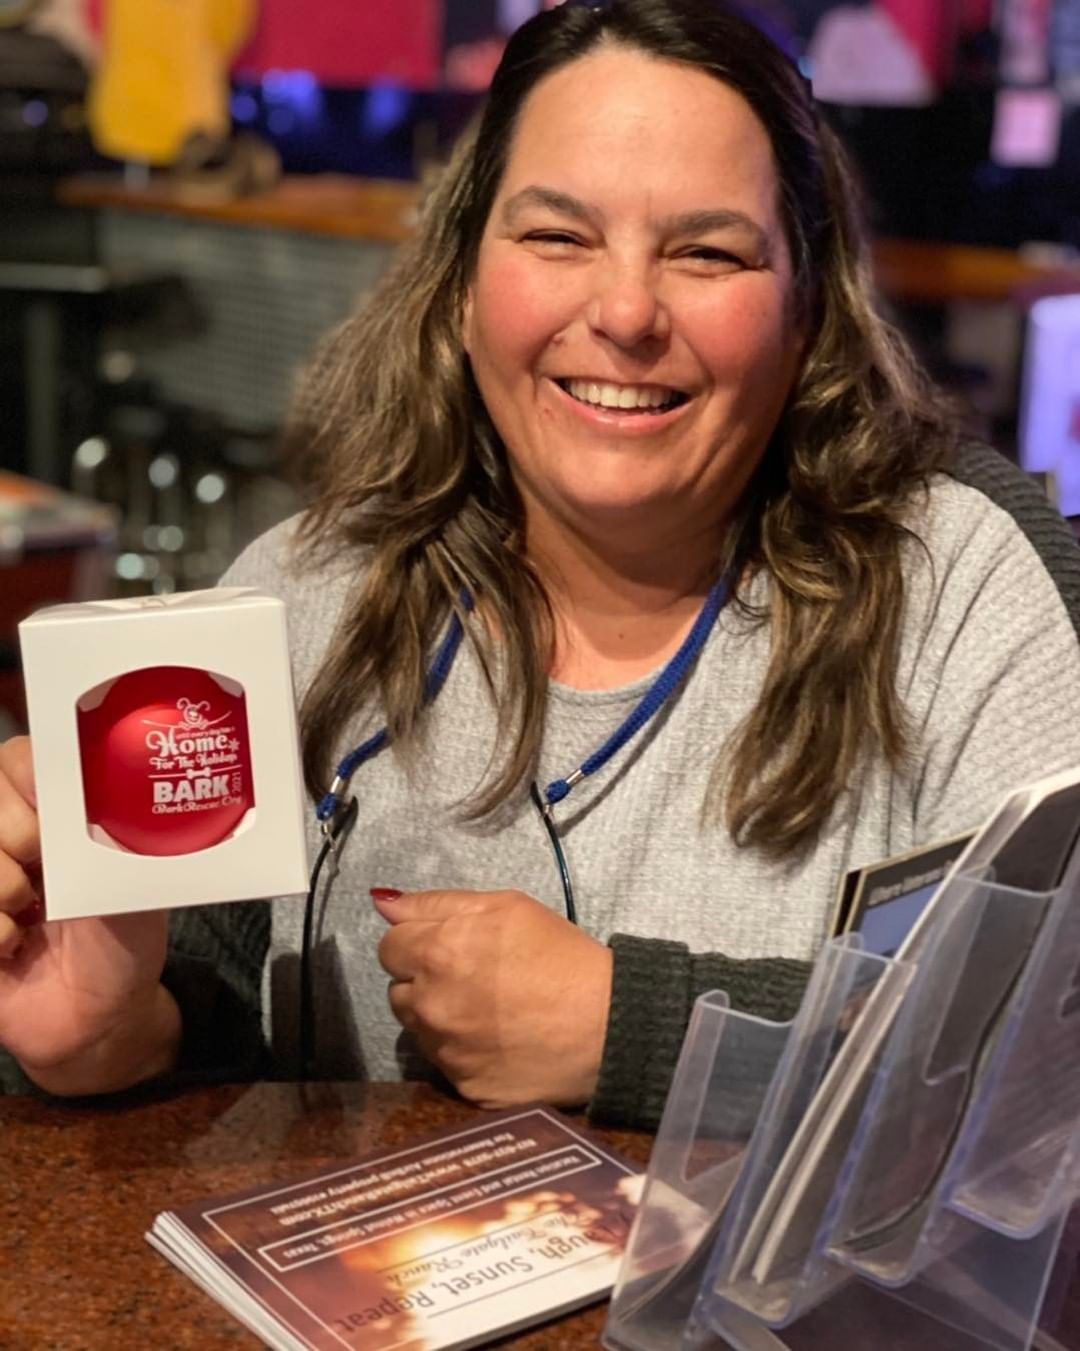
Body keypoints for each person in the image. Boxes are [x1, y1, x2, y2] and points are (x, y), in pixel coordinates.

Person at [3, 0, 1080, 1128]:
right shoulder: (303, 594)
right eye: (558, 236)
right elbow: (193, 1033)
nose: (623, 311)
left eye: (708, 252)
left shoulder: (962, 586)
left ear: (806, 308)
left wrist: (634, 1026)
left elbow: (1047, 1059)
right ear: (463, 280)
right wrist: (107, 1034)